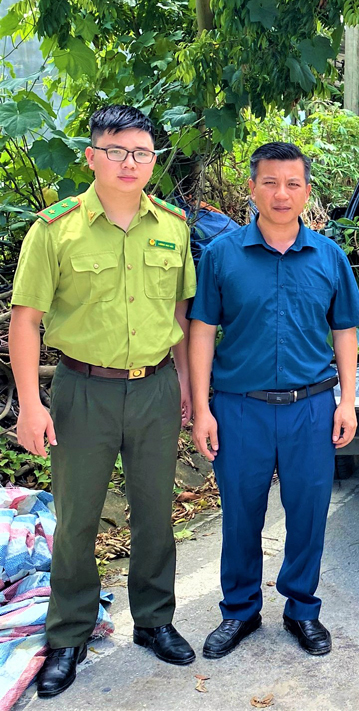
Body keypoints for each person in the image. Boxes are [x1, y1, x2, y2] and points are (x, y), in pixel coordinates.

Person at [10, 105, 197, 698]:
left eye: (142, 152)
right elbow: (26, 320)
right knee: (76, 520)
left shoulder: (173, 224)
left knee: (154, 513)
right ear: (92, 155)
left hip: (155, 388)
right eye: (117, 151)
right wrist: (30, 405)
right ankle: (67, 634)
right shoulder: (54, 229)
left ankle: (155, 621)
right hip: (81, 389)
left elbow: (181, 314)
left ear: (153, 161)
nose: (131, 162)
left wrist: (190, 389)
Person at [189, 141, 359, 659]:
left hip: (311, 407)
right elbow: (201, 330)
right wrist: (202, 409)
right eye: (270, 182)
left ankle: (301, 610)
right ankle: (239, 611)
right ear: (252, 188)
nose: (281, 194)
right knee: (241, 512)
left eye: (292, 184)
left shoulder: (329, 256)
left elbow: (345, 333)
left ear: (307, 191)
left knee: (308, 511)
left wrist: (347, 401)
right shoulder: (222, 255)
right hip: (239, 406)